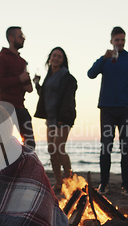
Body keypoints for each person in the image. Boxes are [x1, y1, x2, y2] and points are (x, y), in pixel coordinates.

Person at [87, 27, 128, 196]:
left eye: (122, 40)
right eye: (117, 40)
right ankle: (103, 184)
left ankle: (126, 185)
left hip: (126, 110)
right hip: (107, 109)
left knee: (125, 147)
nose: (120, 43)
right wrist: (102, 58)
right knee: (106, 146)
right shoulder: (105, 60)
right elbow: (91, 74)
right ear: (111, 41)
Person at [34, 47, 77, 192]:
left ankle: (69, 180)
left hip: (63, 118)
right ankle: (59, 182)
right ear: (50, 58)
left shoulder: (66, 77)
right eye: (54, 56)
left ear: (63, 60)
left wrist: (62, 118)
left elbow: (67, 99)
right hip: (51, 118)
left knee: (59, 148)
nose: (56, 58)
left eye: (59, 56)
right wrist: (37, 85)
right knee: (52, 149)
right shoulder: (49, 76)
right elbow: (46, 95)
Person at [0, 26, 35, 150]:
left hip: (21, 107)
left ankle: (27, 168)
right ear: (11, 38)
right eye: (21, 36)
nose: (23, 39)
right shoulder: (1, 59)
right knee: (2, 143)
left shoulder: (22, 62)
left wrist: (28, 84)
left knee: (30, 144)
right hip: (5, 107)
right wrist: (18, 79)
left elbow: (29, 88)